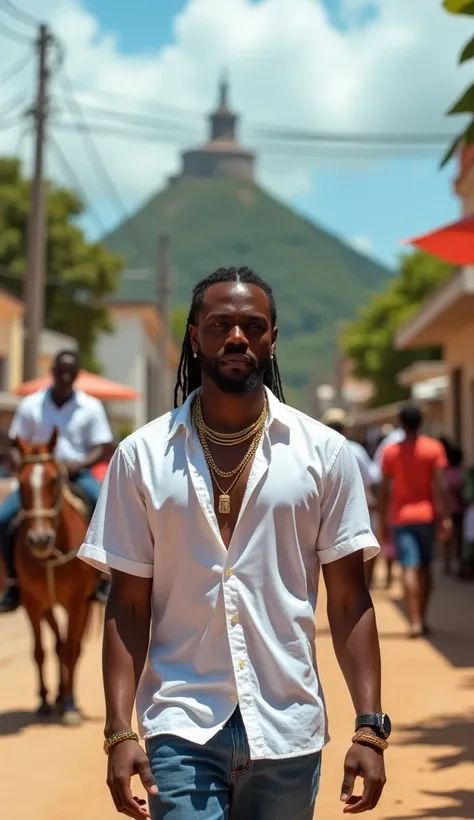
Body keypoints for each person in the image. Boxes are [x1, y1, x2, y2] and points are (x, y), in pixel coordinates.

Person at [79, 267, 389, 820]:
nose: (237, 336)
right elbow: (127, 603)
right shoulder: (141, 456)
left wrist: (370, 727)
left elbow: (348, 599)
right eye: (221, 324)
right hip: (180, 723)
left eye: (253, 325)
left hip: (288, 726)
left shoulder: (324, 453)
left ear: (272, 338)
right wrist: (118, 729)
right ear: (194, 336)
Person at [0, 349, 113, 612]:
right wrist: (20, 461)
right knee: (3, 518)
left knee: (104, 509)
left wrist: (80, 463)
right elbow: (16, 442)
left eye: (70, 372)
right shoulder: (31, 404)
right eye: (60, 371)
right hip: (39, 478)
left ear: (77, 375)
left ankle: (103, 579)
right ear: (52, 372)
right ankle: (14, 585)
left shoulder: (91, 406)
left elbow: (103, 445)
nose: (65, 376)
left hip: (76, 475)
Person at [379, 405, 452, 639]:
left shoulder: (391, 452)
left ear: (400, 423)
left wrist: (382, 519)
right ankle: (422, 616)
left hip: (401, 517)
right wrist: (446, 517)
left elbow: (384, 490)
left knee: (409, 566)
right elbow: (440, 486)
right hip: (427, 515)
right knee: (426, 567)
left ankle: (414, 620)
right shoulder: (434, 449)